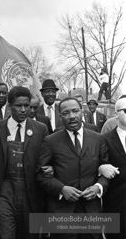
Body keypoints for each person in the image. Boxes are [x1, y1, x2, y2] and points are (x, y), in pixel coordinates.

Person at [37, 97, 109, 239]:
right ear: (60, 117)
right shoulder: (50, 141)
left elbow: (106, 171)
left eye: (75, 111)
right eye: (66, 113)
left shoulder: (98, 139)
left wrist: (98, 187)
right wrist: (62, 189)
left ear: (82, 112)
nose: (71, 116)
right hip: (62, 212)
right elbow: (40, 175)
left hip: (91, 212)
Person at [0, 86, 48, 239]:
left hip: (30, 192)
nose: (24, 110)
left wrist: (49, 167)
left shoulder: (41, 129)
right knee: (4, 234)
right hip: (4, 191)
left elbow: (45, 158)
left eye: (27, 105)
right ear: (9, 106)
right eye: (19, 106)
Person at [101, 97, 126, 239]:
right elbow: (96, 164)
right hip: (115, 207)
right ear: (116, 114)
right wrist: (100, 168)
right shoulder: (104, 139)